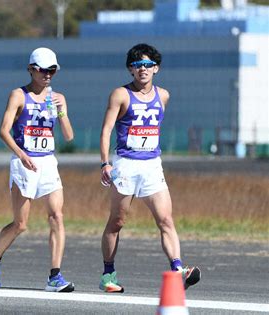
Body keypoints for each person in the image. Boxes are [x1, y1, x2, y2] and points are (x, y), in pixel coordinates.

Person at [99, 43, 201, 293]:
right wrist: (105, 162)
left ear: (156, 68)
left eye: (147, 65)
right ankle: (107, 275)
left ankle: (178, 270)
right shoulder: (120, 94)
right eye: (137, 65)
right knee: (117, 221)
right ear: (130, 70)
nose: (142, 69)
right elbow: (106, 130)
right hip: (126, 164)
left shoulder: (163, 95)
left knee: (166, 219)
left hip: (153, 165)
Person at [0, 47, 75, 292]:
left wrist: (61, 111)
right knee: (20, 224)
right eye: (43, 70)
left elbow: (68, 135)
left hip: (48, 162)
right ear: (31, 69)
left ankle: (55, 276)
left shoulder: (58, 97)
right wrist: (21, 155)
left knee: (57, 216)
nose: (48, 75)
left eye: (52, 70)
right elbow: (3, 130)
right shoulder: (18, 95)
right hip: (24, 161)